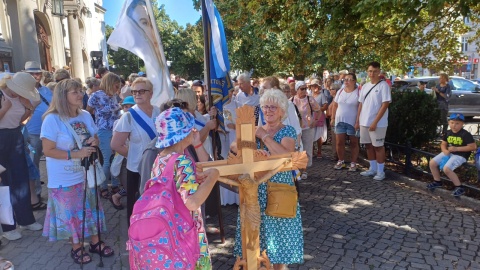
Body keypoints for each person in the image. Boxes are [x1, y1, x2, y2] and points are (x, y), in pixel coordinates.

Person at [41, 79, 114, 264]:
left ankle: (96, 242)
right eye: (75, 92)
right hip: (64, 177)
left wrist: (95, 142)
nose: (80, 94)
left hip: (87, 173)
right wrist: (76, 154)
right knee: (71, 213)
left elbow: (94, 135)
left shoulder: (84, 115)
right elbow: (48, 151)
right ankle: (77, 247)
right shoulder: (52, 119)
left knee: (91, 208)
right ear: (62, 96)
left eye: (80, 90)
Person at [233, 89, 304, 269]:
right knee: (257, 233)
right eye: (265, 107)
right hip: (256, 189)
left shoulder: (287, 130)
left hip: (279, 188)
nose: (268, 110)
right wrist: (253, 149)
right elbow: (235, 147)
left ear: (282, 111)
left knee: (279, 236)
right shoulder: (255, 130)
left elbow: (285, 155)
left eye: (273, 107)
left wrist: (264, 137)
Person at [151, 107, 220, 268]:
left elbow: (173, 188)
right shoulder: (182, 162)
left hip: (167, 228)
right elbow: (192, 202)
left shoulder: (160, 159)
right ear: (185, 133)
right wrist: (213, 177)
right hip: (185, 230)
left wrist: (194, 177)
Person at [110, 77, 160, 224]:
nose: (137, 94)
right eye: (134, 91)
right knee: (137, 206)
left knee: (156, 205)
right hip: (137, 169)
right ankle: (135, 240)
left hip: (159, 167)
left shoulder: (159, 111)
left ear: (150, 93)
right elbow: (116, 144)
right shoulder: (128, 116)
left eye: (141, 91)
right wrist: (137, 157)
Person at [0, 73, 43, 241]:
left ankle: (26, 220)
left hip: (15, 137)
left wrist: (29, 109)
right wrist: (4, 109)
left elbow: (20, 121)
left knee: (21, 179)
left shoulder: (21, 98)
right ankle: (8, 227)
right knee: (4, 184)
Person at [87, 73, 122, 199]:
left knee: (115, 158)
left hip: (116, 130)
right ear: (110, 83)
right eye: (116, 85)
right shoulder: (96, 95)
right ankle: (103, 187)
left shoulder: (114, 96)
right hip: (103, 130)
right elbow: (88, 111)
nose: (118, 88)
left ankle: (114, 183)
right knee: (108, 159)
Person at [427, 113, 476, 197]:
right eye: (452, 123)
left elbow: (473, 147)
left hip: (461, 155)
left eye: (457, 123)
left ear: (462, 124)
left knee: (447, 168)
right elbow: (443, 144)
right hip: (449, 152)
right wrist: (444, 150)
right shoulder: (448, 132)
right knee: (432, 163)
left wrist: (457, 149)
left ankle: (459, 187)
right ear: (449, 123)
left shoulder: (465, 134)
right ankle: (437, 181)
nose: (454, 125)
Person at [357, 61, 392, 181]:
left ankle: (381, 171)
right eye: (370, 71)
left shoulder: (383, 86)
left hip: (378, 123)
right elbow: (361, 104)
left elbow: (385, 104)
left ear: (379, 72)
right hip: (364, 122)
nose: (372, 74)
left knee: (378, 146)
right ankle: (372, 168)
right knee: (368, 146)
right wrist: (358, 120)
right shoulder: (365, 86)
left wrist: (375, 122)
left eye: (375, 71)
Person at [24, 61, 51, 208]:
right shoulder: (22, 91)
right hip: (31, 133)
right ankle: (35, 198)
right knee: (33, 166)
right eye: (32, 73)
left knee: (48, 163)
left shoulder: (47, 91)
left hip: (48, 133)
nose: (35, 76)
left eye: (38, 73)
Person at [291, 81, 321, 179]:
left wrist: (315, 120)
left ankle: (304, 170)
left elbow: (318, 110)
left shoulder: (310, 99)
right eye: (302, 89)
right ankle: (296, 169)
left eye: (305, 88)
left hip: (308, 128)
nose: (304, 91)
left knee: (307, 149)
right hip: (296, 129)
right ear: (297, 90)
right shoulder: (291, 100)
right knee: (296, 148)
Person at [331, 73, 360, 171]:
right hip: (340, 122)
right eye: (345, 79)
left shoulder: (358, 92)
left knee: (354, 143)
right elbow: (335, 105)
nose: (346, 81)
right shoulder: (340, 91)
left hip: (352, 122)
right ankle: (341, 161)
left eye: (349, 79)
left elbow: (361, 108)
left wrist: (358, 121)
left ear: (354, 81)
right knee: (339, 142)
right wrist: (332, 118)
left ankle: (353, 163)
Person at [310, 79, 328, 159]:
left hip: (319, 116)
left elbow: (325, 106)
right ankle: (312, 150)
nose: (314, 87)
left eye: (315, 86)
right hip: (311, 116)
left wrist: (318, 109)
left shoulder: (322, 95)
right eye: (313, 86)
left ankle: (319, 151)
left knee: (319, 134)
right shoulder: (309, 95)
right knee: (311, 133)